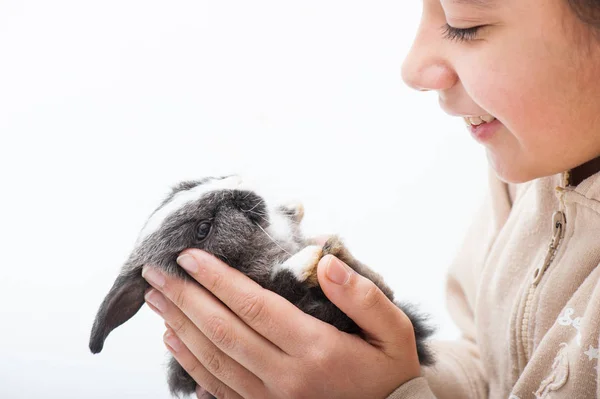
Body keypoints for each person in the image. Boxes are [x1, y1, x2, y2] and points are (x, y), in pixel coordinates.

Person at [140, 0, 600, 397]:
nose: (413, 67)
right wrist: (363, 365)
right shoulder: (533, 168)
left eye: (465, 23)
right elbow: (498, 368)